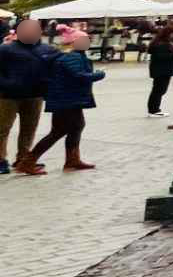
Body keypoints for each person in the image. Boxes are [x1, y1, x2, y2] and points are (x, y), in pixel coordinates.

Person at [24, 26, 105, 172]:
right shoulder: (71, 56)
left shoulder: (76, 55)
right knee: (58, 131)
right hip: (65, 99)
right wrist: (99, 74)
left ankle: (72, 160)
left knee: (77, 126)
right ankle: (28, 161)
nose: (87, 42)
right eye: (83, 39)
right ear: (73, 42)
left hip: (69, 98)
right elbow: (79, 75)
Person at [0, 17, 59, 173]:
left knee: (29, 129)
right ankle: (1, 160)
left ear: (40, 32)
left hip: (35, 96)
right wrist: (6, 84)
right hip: (8, 96)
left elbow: (56, 70)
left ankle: (23, 159)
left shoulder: (49, 50)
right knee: (3, 129)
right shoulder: (6, 49)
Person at [146, 25, 173, 116]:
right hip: (162, 70)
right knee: (159, 90)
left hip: (160, 70)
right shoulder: (162, 44)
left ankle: (154, 109)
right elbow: (162, 56)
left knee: (158, 90)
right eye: (172, 34)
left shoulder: (159, 42)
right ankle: (154, 110)